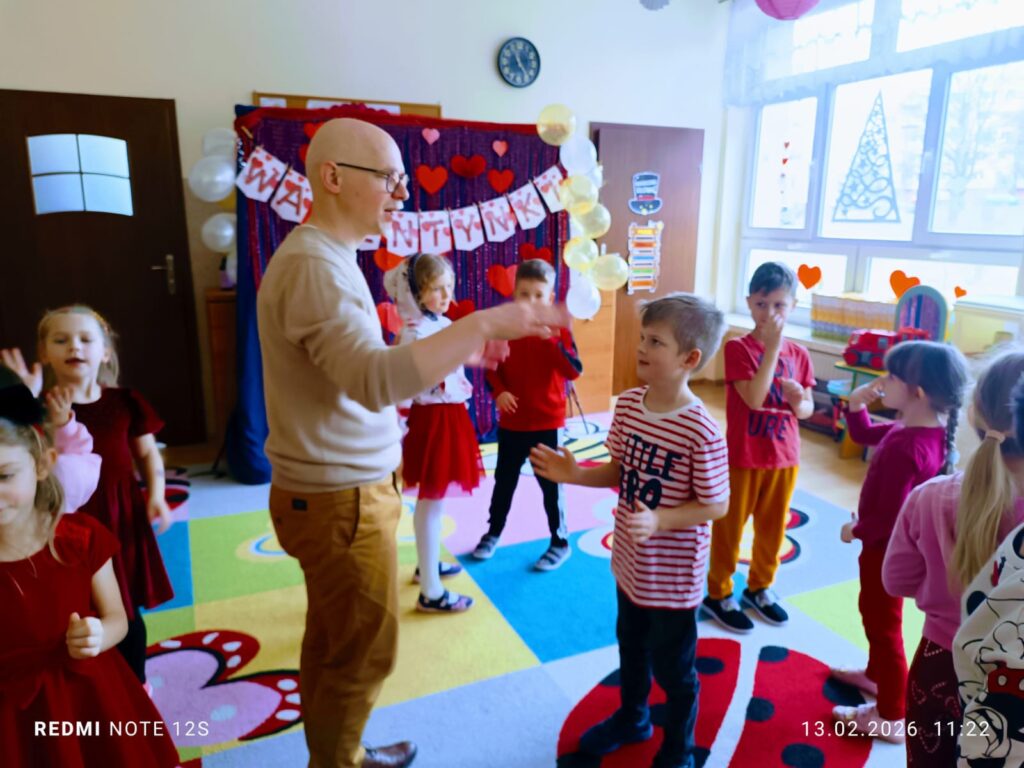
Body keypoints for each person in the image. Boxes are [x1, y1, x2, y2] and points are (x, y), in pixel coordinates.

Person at [256, 117, 570, 768]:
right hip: (338, 497)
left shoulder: (327, 257)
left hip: (340, 490)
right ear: (333, 177)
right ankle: (339, 760)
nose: (402, 194)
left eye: (403, 180)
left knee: (336, 642)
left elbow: (361, 369)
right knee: (364, 650)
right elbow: (375, 380)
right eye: (390, 179)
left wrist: (461, 348)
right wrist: (480, 324)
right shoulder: (315, 266)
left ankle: (340, 749)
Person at [531, 293, 729, 768]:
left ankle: (678, 749)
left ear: (689, 359)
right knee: (631, 648)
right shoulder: (630, 406)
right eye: (643, 337)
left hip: (672, 577)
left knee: (675, 670)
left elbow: (716, 504)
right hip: (629, 562)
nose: (641, 347)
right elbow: (620, 470)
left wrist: (661, 520)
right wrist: (576, 474)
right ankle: (633, 718)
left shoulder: (701, 430)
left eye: (655, 342)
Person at [0, 368, 180, 768]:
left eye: (5, 475)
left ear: (43, 464)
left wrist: (98, 636)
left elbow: (118, 617)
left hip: (88, 695)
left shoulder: (80, 538)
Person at [11, 305, 174, 686]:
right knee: (73, 604)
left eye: (86, 339)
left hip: (119, 514)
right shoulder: (38, 406)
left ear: (105, 352)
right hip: (63, 520)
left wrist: (157, 495)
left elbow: (147, 453)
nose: (75, 347)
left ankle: (135, 683)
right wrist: (28, 402)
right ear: (44, 352)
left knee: (124, 606)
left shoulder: (124, 401)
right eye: (61, 339)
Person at [885, 348, 1024, 766]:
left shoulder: (928, 497)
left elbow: (896, 581)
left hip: (937, 665)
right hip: (1011, 679)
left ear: (973, 413)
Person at [829, 341, 968, 740]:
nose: (882, 383)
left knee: (882, 626)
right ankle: (876, 675)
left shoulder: (907, 447)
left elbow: (890, 519)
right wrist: (857, 404)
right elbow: (864, 433)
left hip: (884, 551)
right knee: (874, 615)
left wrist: (854, 529)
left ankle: (892, 713)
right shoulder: (917, 431)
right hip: (891, 547)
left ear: (917, 391)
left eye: (890, 377)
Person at [702, 262, 815, 634]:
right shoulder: (738, 348)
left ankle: (760, 587)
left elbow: (807, 409)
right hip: (744, 457)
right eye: (762, 304)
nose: (770, 314)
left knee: (772, 530)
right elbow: (753, 398)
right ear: (750, 302)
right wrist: (772, 349)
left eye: (779, 305)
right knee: (730, 528)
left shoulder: (800, 355)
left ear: (792, 306)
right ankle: (719, 593)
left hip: (784, 458)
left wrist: (799, 401)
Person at [384, 253, 480, 613]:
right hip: (430, 421)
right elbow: (406, 387)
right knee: (431, 502)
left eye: (449, 287)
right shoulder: (413, 333)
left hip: (448, 418)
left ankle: (428, 566)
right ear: (415, 292)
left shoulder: (442, 323)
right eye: (436, 289)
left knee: (435, 501)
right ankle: (431, 591)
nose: (445, 295)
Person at [473, 258, 582, 570]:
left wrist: (549, 341)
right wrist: (499, 392)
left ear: (550, 298)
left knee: (551, 486)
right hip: (513, 423)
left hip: (547, 423)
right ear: (514, 294)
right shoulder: (504, 328)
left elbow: (573, 371)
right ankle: (493, 532)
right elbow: (491, 368)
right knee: (504, 483)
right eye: (524, 294)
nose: (531, 302)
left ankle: (560, 542)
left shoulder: (559, 331)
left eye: (538, 295)